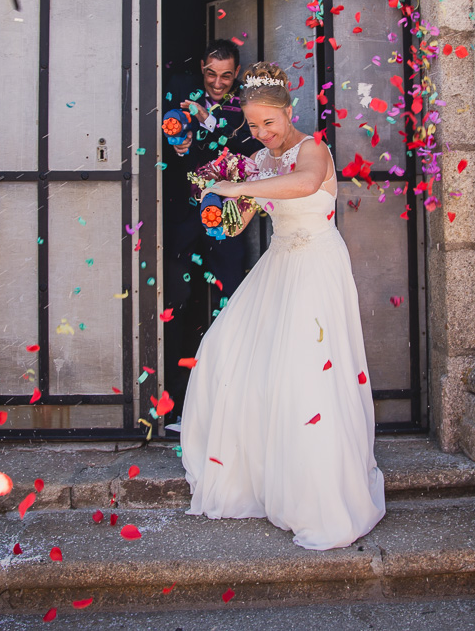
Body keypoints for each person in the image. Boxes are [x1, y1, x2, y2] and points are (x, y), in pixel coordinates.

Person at [179, 61, 385, 551]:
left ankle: (315, 496)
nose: (261, 133)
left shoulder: (313, 149)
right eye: (252, 125)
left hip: (315, 263)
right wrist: (214, 199)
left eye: (268, 123)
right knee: (224, 347)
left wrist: (236, 186)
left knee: (306, 371)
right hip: (278, 263)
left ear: (288, 112)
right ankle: (257, 474)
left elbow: (305, 185)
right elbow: (235, 225)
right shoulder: (258, 161)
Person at [162, 39, 259, 410]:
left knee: (232, 297)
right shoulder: (183, 93)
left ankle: (231, 396)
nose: (218, 83)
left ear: (236, 74)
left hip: (227, 220)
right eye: (211, 74)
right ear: (202, 66)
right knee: (176, 300)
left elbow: (252, 151)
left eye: (226, 76)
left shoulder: (243, 109)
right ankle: (174, 392)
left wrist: (214, 126)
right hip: (183, 218)